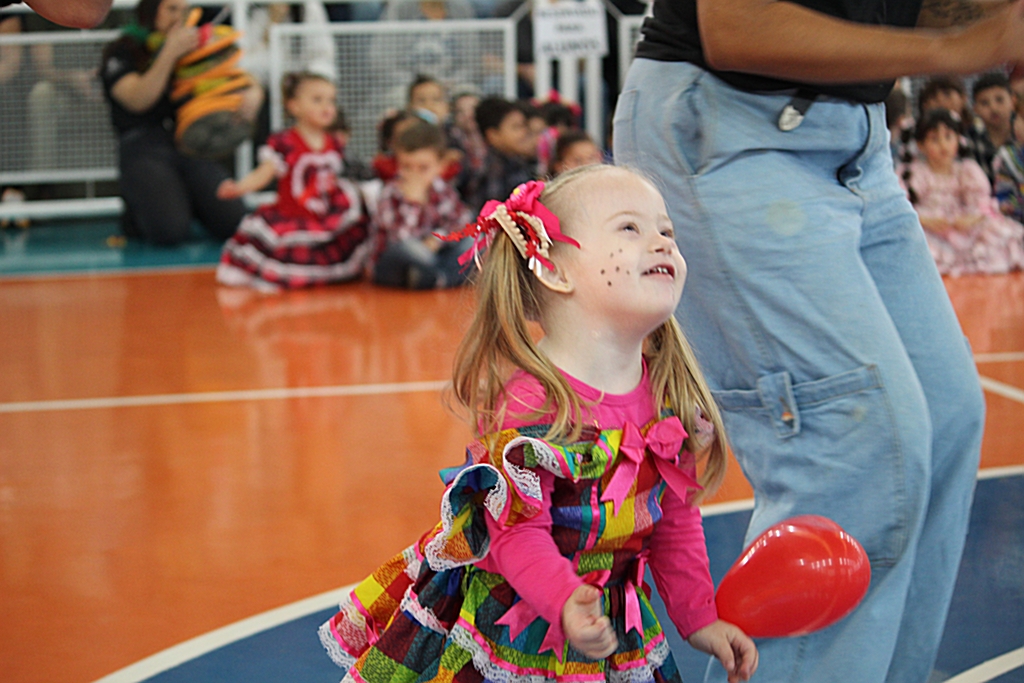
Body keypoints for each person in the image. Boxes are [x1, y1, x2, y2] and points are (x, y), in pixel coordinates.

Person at [612, 0, 1024, 680]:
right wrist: (974, 45)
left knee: (947, 415)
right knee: (852, 449)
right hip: (730, 124)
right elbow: (739, 27)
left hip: (858, 137)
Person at [320, 166, 759, 683]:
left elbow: (674, 526)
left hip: (607, 625)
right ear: (554, 270)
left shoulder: (671, 399)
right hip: (521, 624)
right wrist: (564, 599)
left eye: (667, 232)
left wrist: (698, 619)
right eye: (630, 229)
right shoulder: (533, 404)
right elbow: (514, 534)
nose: (663, 243)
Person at [99, 0, 246, 246]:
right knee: (169, 233)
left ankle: (190, 199)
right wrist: (169, 53)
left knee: (235, 221)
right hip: (142, 146)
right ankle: (141, 211)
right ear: (150, 11)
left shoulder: (195, 49)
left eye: (184, 10)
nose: (178, 17)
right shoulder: (123, 49)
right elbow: (138, 99)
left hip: (187, 142)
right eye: (171, 9)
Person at [216, 72, 372, 290]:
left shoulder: (333, 142)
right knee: (289, 252)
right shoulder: (285, 142)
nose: (327, 107)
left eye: (331, 100)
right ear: (294, 106)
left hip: (323, 216)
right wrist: (240, 187)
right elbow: (265, 172)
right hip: (293, 215)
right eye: (317, 100)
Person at [901, 108, 1024, 275]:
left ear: (958, 140)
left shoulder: (967, 170)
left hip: (962, 224)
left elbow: (981, 202)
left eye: (948, 137)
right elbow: (902, 207)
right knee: (917, 244)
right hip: (929, 226)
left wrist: (971, 218)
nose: (943, 145)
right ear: (921, 145)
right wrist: (924, 220)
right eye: (934, 139)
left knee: (998, 232)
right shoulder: (913, 173)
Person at [370, 121, 472, 289]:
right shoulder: (391, 193)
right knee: (414, 251)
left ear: (440, 166)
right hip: (396, 262)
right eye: (406, 167)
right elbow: (401, 238)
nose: (414, 174)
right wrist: (414, 203)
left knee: (473, 241)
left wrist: (436, 240)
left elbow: (460, 222)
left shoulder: (444, 190)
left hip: (435, 252)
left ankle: (437, 279)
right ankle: (440, 277)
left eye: (423, 168)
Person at [466, 96, 535, 212]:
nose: (524, 132)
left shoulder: (518, 161)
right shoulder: (492, 170)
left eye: (524, 125)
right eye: (516, 127)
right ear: (493, 135)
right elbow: (494, 216)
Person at [972, 72, 1022, 184]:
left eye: (999, 100)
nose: (993, 108)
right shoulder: (971, 140)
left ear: (1013, 101)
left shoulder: (1021, 136)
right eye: (984, 103)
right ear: (975, 109)